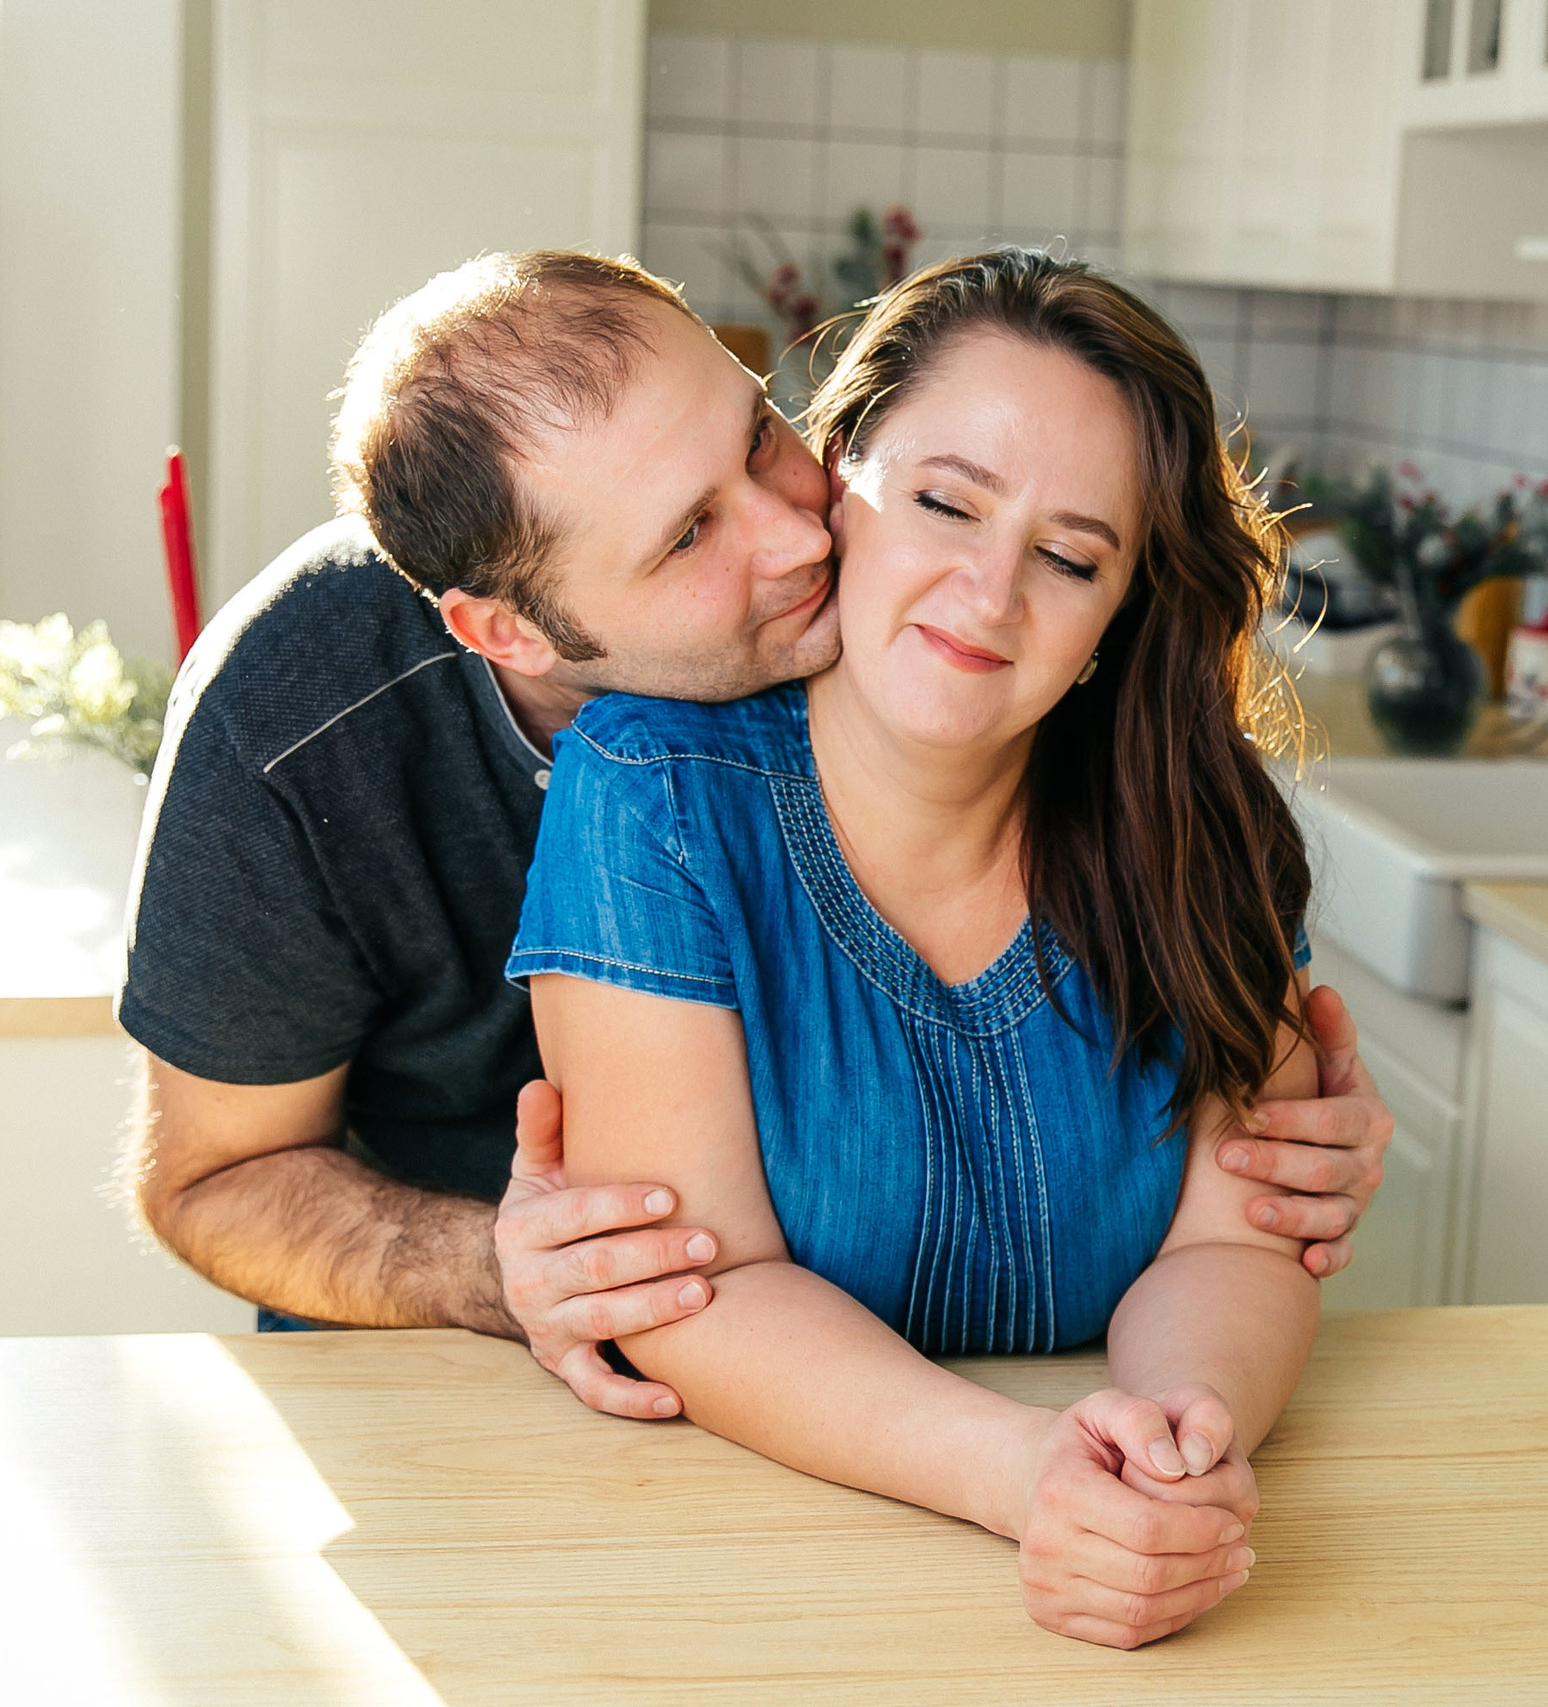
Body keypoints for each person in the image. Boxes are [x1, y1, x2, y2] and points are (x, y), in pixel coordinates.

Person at [118, 250, 1391, 1428]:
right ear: (511, 632)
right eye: (689, 536)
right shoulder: (300, 721)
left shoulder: (955, 669)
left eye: (763, 438)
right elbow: (208, 1182)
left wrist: (1254, 1132)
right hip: (469, 1395)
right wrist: (510, 1267)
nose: (799, 536)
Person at [511, 249, 1321, 1649]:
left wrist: (1177, 1441)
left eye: (1073, 555)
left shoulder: (1203, 821)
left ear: (1122, 609)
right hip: (747, 1592)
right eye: (945, 502)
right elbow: (694, 1280)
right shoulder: (650, 789)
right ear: (837, 485)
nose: (991, 592)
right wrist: (1022, 1468)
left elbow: (1239, 1233)